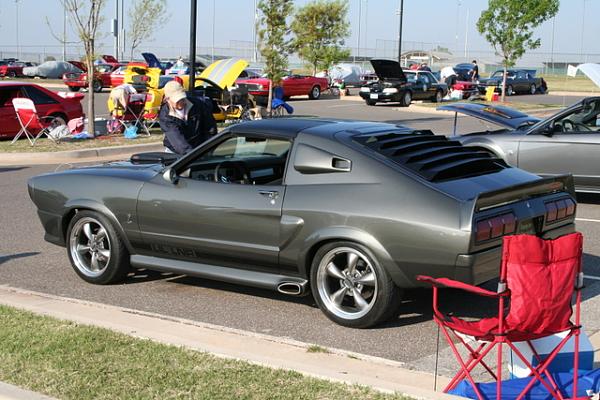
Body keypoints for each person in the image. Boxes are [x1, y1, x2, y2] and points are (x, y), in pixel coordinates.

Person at [159, 80, 217, 155]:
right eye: (177, 100)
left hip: (199, 147)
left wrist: (209, 147)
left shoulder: (198, 105)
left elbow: (210, 128)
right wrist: (192, 156)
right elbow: (178, 143)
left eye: (182, 98)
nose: (181, 102)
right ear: (167, 100)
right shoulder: (165, 116)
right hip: (175, 151)